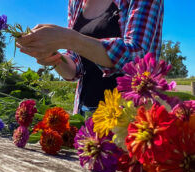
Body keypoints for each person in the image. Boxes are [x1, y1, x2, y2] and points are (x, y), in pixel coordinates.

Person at [16, 0, 164, 115]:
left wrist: (69, 39)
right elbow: (76, 67)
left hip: (129, 122)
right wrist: (53, 56)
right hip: (85, 122)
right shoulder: (76, 2)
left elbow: (136, 55)